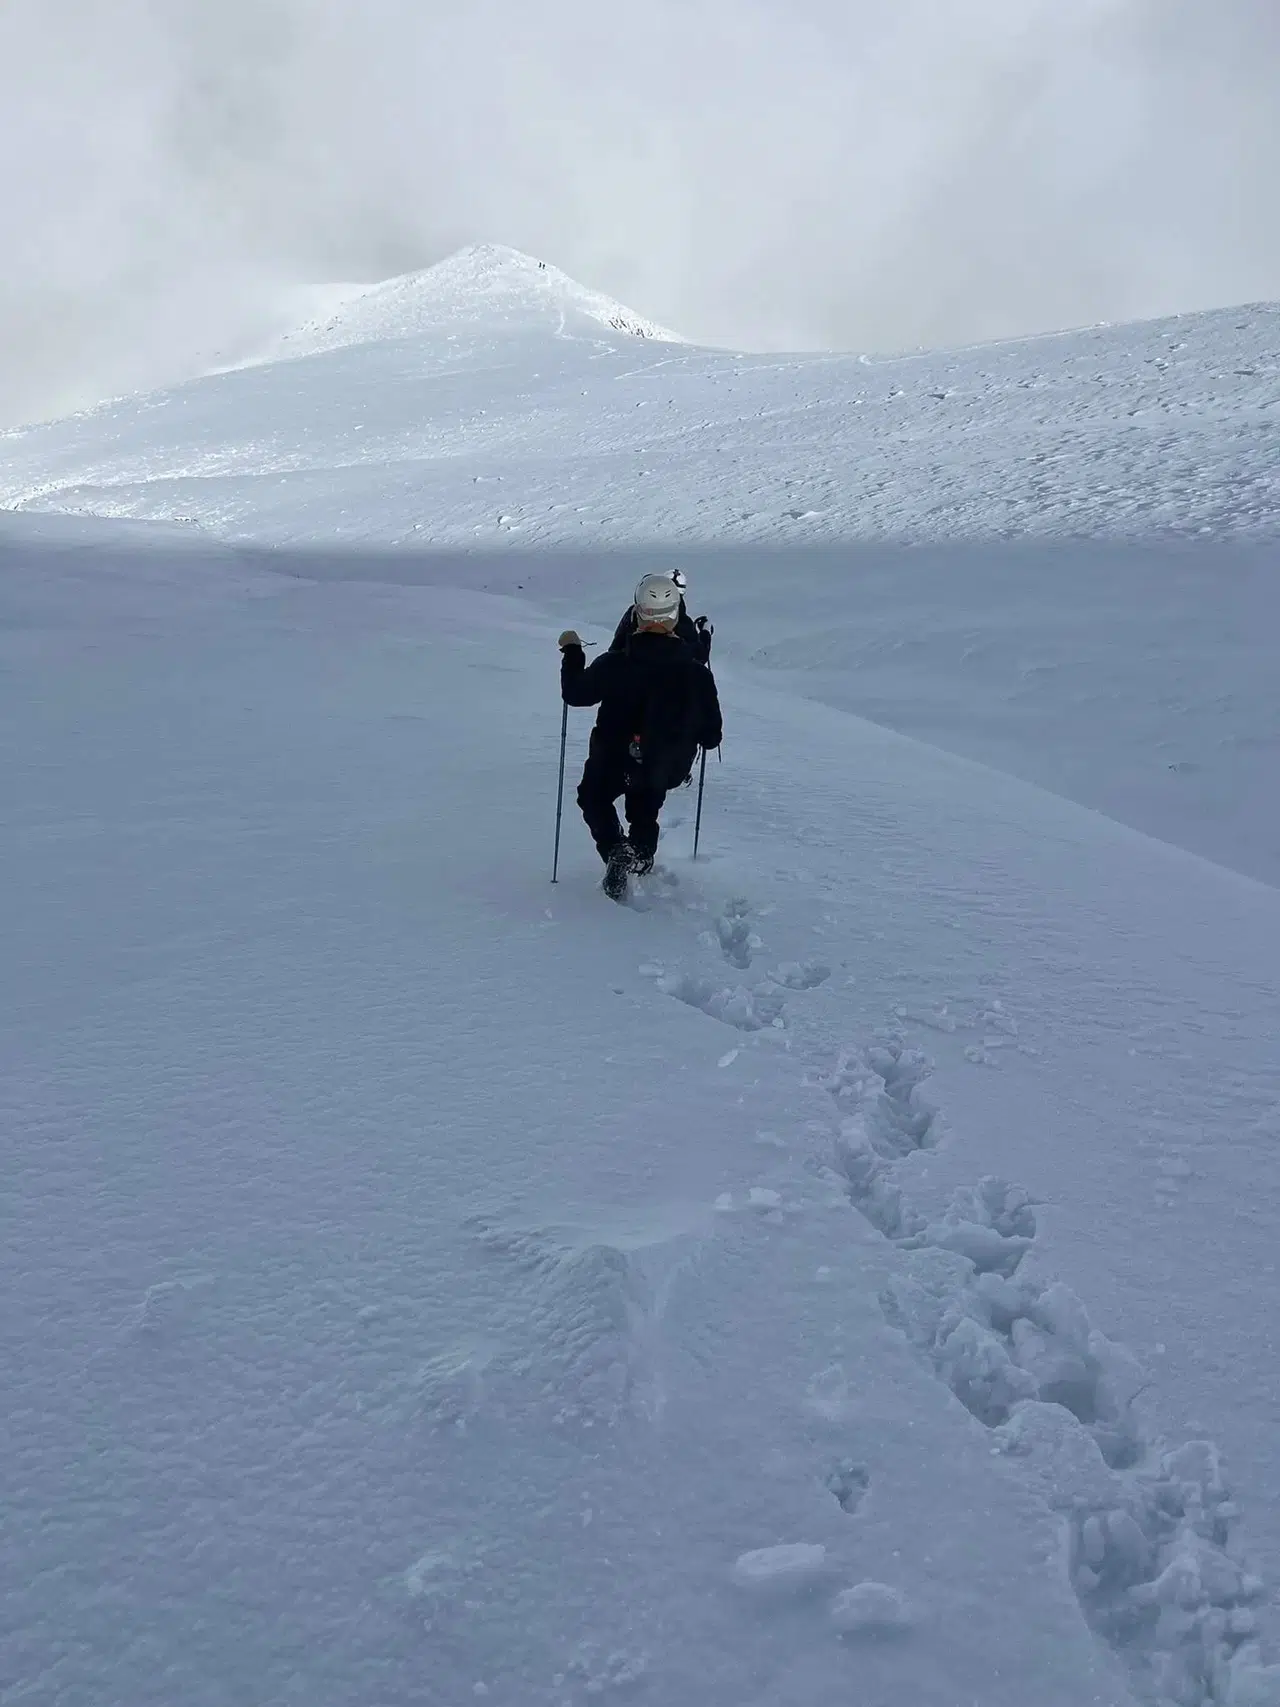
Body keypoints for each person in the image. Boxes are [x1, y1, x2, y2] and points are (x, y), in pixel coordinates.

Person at [560, 574, 723, 899]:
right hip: (665, 766)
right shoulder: (696, 674)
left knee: (593, 797)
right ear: (675, 616)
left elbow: (575, 694)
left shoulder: (614, 664)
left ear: (638, 613)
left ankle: (615, 848)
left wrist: (573, 652)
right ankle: (642, 853)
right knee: (646, 801)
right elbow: (711, 736)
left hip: (613, 760)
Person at [609, 568, 713, 664]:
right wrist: (705, 633)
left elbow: (615, 648)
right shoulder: (684, 623)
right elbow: (699, 656)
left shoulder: (604, 667)